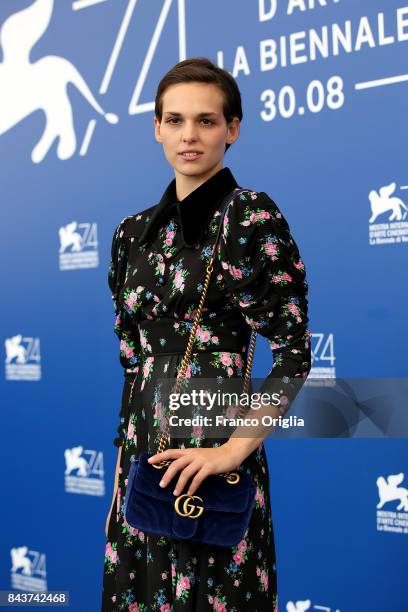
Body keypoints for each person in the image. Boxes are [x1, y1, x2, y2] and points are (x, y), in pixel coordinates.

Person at [101, 56, 312, 611]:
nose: (188, 135)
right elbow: (133, 364)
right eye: (174, 120)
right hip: (146, 461)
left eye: (206, 120)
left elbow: (292, 356)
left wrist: (232, 453)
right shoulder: (131, 235)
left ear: (233, 128)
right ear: (156, 128)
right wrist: (121, 477)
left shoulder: (250, 219)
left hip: (217, 456)